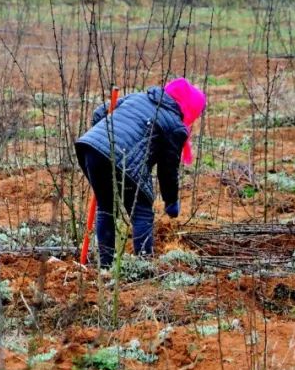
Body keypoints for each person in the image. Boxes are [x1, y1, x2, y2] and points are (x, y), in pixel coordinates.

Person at [75, 78, 207, 267]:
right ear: (189, 107)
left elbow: (99, 112)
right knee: (142, 212)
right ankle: (143, 266)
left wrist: (103, 139)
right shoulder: (175, 126)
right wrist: (171, 201)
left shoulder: (137, 97)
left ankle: (105, 267)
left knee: (106, 207)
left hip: (90, 149)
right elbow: (167, 170)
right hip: (122, 159)